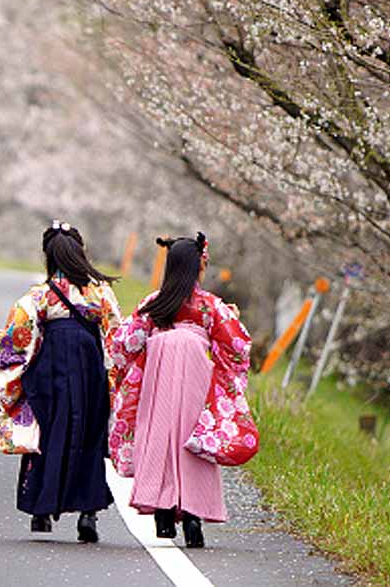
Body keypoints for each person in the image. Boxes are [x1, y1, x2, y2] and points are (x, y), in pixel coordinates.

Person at [108, 233, 252, 548]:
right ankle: (192, 515)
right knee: (192, 436)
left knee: (157, 433)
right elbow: (237, 346)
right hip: (196, 370)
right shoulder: (211, 305)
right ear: (199, 267)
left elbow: (125, 343)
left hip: (157, 370)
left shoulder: (155, 303)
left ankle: (161, 508)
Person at [0, 221, 122, 542]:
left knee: (47, 434)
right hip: (89, 371)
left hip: (50, 372)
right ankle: (89, 512)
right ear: (80, 254)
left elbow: (16, 337)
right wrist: (116, 379)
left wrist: (11, 367)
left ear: (48, 256)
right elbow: (118, 335)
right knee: (90, 435)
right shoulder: (100, 292)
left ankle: (42, 509)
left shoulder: (39, 296)